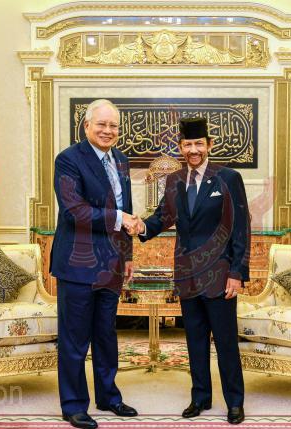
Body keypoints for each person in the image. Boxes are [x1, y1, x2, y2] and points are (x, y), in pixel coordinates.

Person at [133, 117, 250, 425]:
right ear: (181, 147)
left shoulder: (228, 178)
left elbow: (240, 228)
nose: (194, 150)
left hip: (220, 275)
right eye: (188, 144)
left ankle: (235, 402)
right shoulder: (174, 180)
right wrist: (141, 226)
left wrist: (237, 273)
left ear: (209, 145)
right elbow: (163, 216)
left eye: (199, 144)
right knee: (195, 341)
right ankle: (200, 397)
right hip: (187, 275)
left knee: (225, 342)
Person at [51, 99, 140, 429]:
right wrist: (120, 218)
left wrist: (128, 255)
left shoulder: (121, 160)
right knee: (75, 339)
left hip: (111, 264)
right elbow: (74, 211)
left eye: (113, 125)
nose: (108, 130)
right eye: (101, 124)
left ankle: (109, 397)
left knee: (105, 335)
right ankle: (74, 405)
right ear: (86, 126)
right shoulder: (68, 160)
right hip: (78, 262)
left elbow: (125, 207)